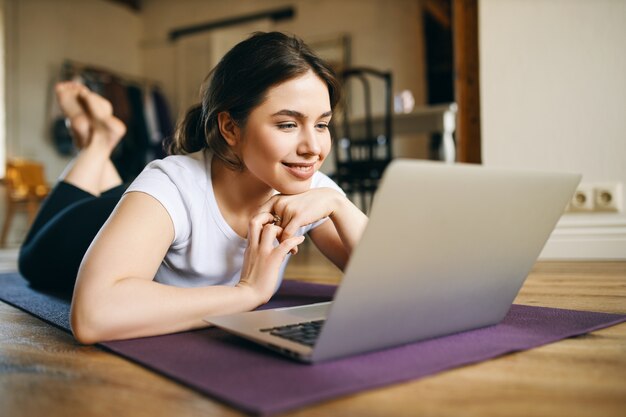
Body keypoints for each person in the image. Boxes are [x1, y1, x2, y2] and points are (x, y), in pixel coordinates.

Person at [18, 32, 368, 344]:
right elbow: (93, 316)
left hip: (145, 212)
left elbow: (395, 284)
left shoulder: (305, 184)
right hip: (79, 231)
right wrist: (246, 294)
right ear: (230, 128)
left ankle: (102, 146)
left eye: (322, 125)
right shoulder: (172, 184)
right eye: (288, 124)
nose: (313, 147)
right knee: (30, 257)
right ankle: (99, 142)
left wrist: (339, 204)